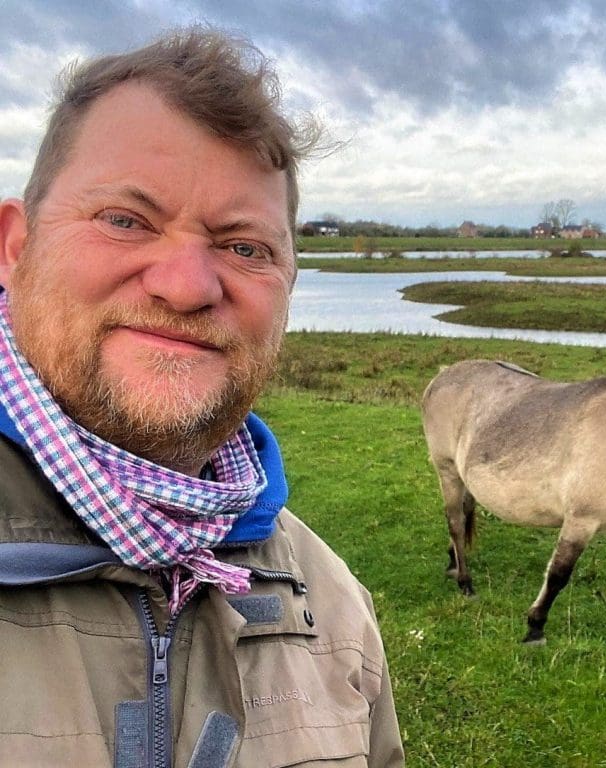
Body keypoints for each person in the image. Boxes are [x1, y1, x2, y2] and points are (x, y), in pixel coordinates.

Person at [0, 27, 404, 767]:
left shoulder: (333, 606)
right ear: (15, 247)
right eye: (126, 220)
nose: (186, 285)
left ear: (286, 286)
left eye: (245, 247)